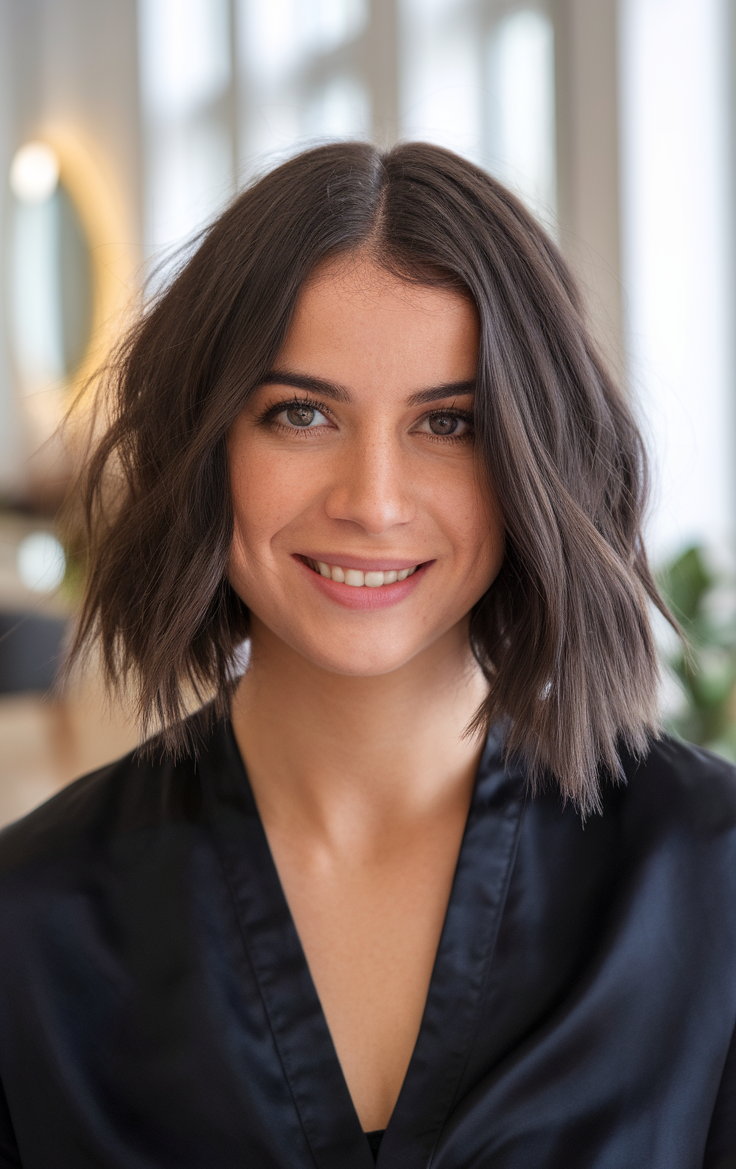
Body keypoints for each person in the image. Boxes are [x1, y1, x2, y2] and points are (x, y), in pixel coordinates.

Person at [0, 142, 734, 1168]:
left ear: (536, 452)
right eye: (300, 413)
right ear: (204, 444)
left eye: (448, 422)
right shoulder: (29, 924)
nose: (372, 500)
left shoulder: (710, 876)